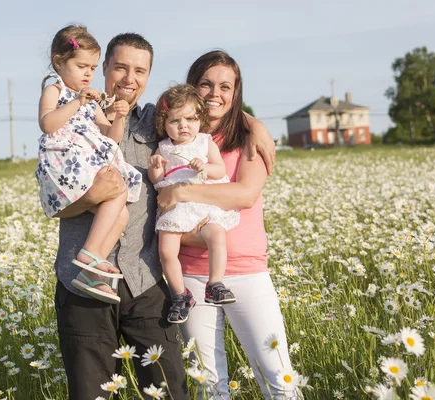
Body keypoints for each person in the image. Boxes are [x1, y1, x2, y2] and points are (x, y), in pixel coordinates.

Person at [52, 32, 277, 399]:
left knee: (172, 392)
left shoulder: (156, 126)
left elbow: (202, 112)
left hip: (147, 285)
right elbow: (55, 203)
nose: (129, 78)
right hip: (84, 285)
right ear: (103, 68)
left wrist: (254, 123)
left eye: (140, 71)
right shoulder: (72, 123)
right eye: (120, 67)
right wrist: (98, 195)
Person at [157, 50, 300, 399]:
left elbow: (244, 195)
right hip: (190, 275)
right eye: (205, 84)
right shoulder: (173, 135)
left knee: (279, 378)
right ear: (192, 87)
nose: (214, 94)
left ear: (236, 93)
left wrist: (181, 191)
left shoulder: (248, 137)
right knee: (209, 386)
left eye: (226, 86)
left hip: (247, 271)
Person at [35, 24, 142, 304]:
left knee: (122, 216)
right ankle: (90, 252)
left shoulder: (92, 100)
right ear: (60, 62)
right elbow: (48, 124)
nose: (88, 73)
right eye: (82, 65)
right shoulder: (55, 90)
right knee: (118, 191)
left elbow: (111, 137)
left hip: (86, 164)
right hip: (66, 164)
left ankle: (90, 271)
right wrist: (77, 102)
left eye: (92, 68)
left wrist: (118, 116)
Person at [148, 84, 240, 324]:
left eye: (190, 119)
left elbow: (220, 169)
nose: (183, 126)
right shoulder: (164, 147)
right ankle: (181, 295)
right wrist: (156, 168)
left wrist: (205, 167)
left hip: (203, 205)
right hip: (176, 210)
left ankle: (215, 283)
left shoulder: (205, 142)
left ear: (200, 118)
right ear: (164, 124)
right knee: (166, 251)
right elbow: (159, 182)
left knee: (217, 234)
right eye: (175, 121)